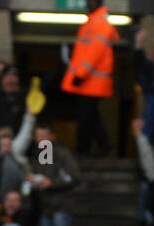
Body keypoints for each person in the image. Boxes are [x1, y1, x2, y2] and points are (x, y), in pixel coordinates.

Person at [60, 0, 116, 156]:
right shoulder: (94, 22)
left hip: (91, 81)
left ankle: (84, 149)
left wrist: (80, 74)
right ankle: (101, 143)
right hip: (89, 82)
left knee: (85, 116)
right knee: (89, 115)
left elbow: (94, 53)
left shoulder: (98, 23)